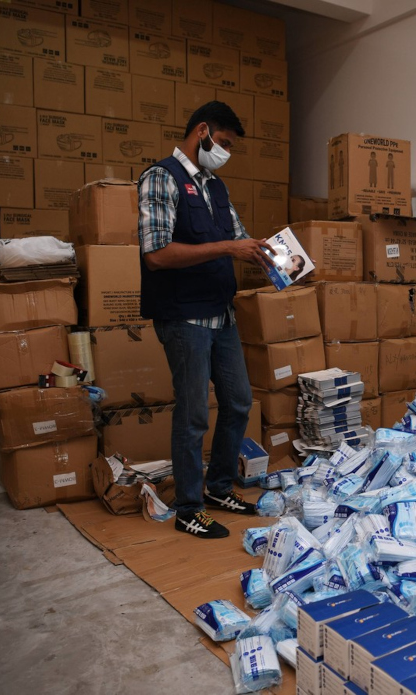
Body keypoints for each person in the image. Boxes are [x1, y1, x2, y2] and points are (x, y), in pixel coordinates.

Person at [137, 101, 275, 539]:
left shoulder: (216, 187)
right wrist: (229, 249)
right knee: (194, 413)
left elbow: (237, 240)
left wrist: (275, 255)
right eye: (225, 143)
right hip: (184, 317)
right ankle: (188, 507)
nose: (226, 153)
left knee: (238, 401)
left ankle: (217, 488)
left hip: (222, 314)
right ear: (202, 132)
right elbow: (157, 254)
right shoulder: (161, 178)